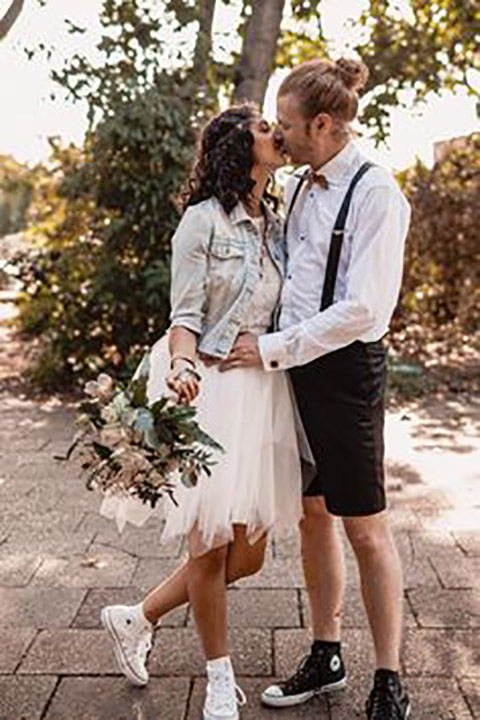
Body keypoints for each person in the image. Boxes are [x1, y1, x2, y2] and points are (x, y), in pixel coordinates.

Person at [219, 58, 412, 720]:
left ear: (324, 124)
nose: (280, 132)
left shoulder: (378, 193)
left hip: (346, 373)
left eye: (290, 124)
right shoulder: (300, 184)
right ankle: (326, 652)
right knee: (312, 517)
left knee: (366, 529)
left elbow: (365, 308)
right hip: (290, 369)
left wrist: (272, 349)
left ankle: (390, 678)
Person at [99, 104, 304, 720]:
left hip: (262, 389)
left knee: (249, 555)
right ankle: (219, 679)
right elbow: (183, 317)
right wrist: (184, 368)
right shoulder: (202, 221)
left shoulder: (281, 218)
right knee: (210, 547)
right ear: (240, 149)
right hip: (207, 389)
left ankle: (137, 616)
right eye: (265, 128)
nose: (277, 132)